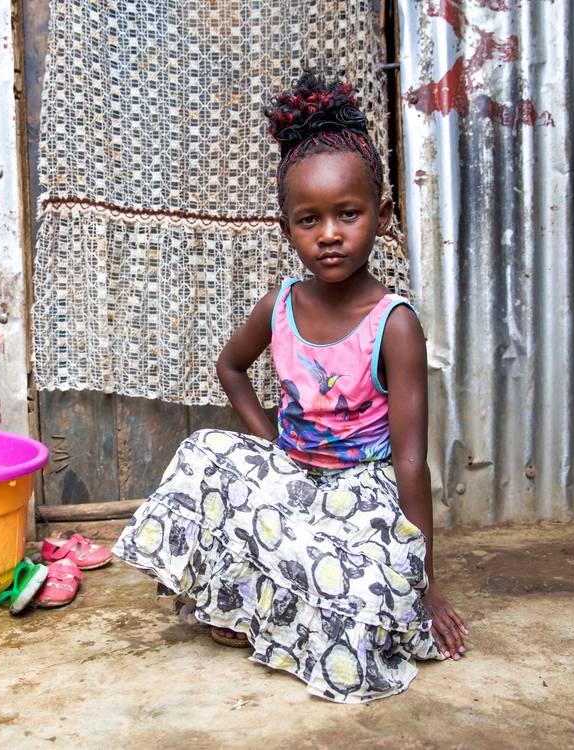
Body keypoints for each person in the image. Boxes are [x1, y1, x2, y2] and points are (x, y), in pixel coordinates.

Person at [112, 71, 467, 703]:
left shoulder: (395, 325)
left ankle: (272, 603)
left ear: (382, 217)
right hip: (294, 479)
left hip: (362, 499)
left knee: (358, 594)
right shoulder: (279, 306)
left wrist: (424, 582)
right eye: (309, 220)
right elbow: (231, 367)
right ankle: (237, 603)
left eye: (348, 214)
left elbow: (412, 462)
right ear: (287, 229)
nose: (329, 233)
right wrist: (273, 440)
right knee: (203, 455)